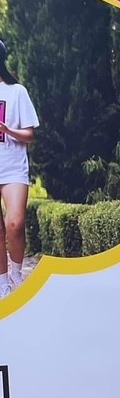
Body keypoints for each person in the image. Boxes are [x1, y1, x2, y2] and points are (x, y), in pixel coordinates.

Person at [0, 40, 39, 298]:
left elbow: (30, 134)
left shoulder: (17, 92)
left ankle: (16, 273)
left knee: (14, 223)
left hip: (12, 168)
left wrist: (7, 130)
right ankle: (2, 283)